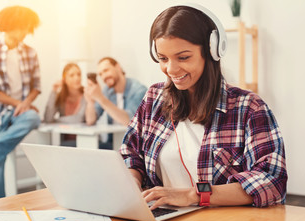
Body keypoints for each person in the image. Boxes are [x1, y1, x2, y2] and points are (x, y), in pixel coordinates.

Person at [120, 4, 287, 210]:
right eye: (163, 59)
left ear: (212, 50)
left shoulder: (250, 108)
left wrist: (194, 194)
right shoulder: (155, 98)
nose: (170, 69)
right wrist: (132, 184)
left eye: (183, 57)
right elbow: (130, 154)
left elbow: (271, 181)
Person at [0, 6, 41, 201]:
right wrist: (18, 103)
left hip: (21, 112)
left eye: (28, 28)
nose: (25, 33)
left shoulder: (30, 52)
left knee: (34, 117)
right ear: (10, 25)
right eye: (23, 27)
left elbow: (36, 86)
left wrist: (26, 103)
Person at [84, 57, 147, 149]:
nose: (104, 76)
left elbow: (129, 121)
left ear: (118, 67)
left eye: (106, 70)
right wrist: (90, 102)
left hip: (134, 146)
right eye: (100, 74)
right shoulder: (107, 91)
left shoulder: (138, 90)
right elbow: (90, 121)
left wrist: (100, 98)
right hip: (113, 145)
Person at [44, 63, 86, 146]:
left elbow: (78, 119)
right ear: (64, 79)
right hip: (65, 142)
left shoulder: (86, 94)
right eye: (72, 75)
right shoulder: (61, 97)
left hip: (85, 140)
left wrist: (56, 121)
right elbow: (48, 118)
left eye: (79, 74)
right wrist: (54, 91)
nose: (77, 78)